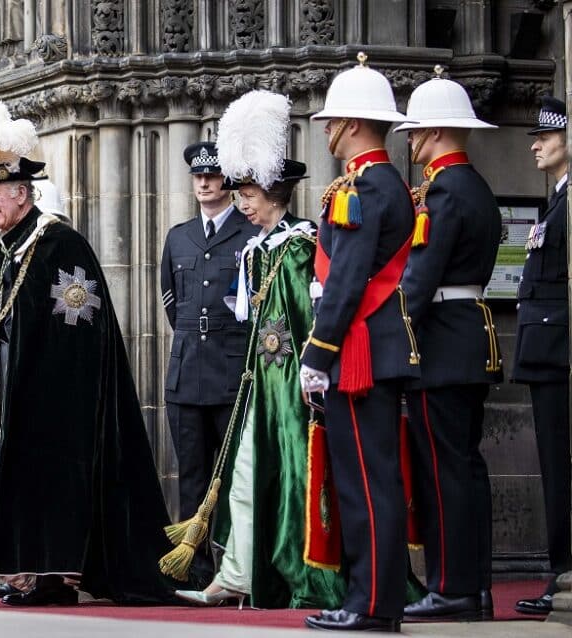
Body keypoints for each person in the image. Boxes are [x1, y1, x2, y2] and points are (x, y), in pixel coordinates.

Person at [0, 101, 177, 606]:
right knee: (7, 481)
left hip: (57, 392)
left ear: (23, 194)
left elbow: (78, 326)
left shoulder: (59, 243)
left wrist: (41, 384)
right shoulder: (3, 250)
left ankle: (43, 577)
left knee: (45, 483)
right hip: (7, 387)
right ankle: (8, 573)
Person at [172, 90, 346, 610]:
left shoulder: (298, 243)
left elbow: (302, 318)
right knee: (245, 478)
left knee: (290, 477)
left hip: (290, 382)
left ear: (273, 192)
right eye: (240, 192)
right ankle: (235, 574)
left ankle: (288, 571)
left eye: (249, 193)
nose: (241, 201)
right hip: (257, 383)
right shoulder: (256, 249)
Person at [299, 54, 419, 632]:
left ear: (351, 124)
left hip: (359, 349)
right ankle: (369, 597)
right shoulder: (380, 182)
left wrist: (317, 352)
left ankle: (371, 604)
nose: (326, 130)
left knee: (365, 480)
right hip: (368, 345)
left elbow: (345, 280)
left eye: (332, 120)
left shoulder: (366, 185)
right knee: (368, 477)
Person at [392, 70, 502, 623]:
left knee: (442, 471)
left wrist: (386, 335)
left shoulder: (443, 191)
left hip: (441, 344)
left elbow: (419, 277)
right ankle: (472, 586)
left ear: (434, 133)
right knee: (464, 468)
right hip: (468, 339)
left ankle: (452, 586)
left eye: (414, 133)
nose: (410, 142)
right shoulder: (473, 186)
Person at [160, 141, 257, 584]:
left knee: (237, 476)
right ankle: (196, 569)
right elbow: (171, 302)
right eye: (198, 176)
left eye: (212, 175)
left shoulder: (250, 232)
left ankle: (238, 566)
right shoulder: (179, 236)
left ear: (229, 181)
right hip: (187, 372)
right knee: (192, 476)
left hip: (233, 371)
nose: (203, 182)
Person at [511, 96, 570, 616]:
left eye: (546, 138)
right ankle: (562, 571)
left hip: (559, 350)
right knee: (554, 467)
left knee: (561, 466)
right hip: (546, 349)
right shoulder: (558, 198)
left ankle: (564, 574)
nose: (535, 144)